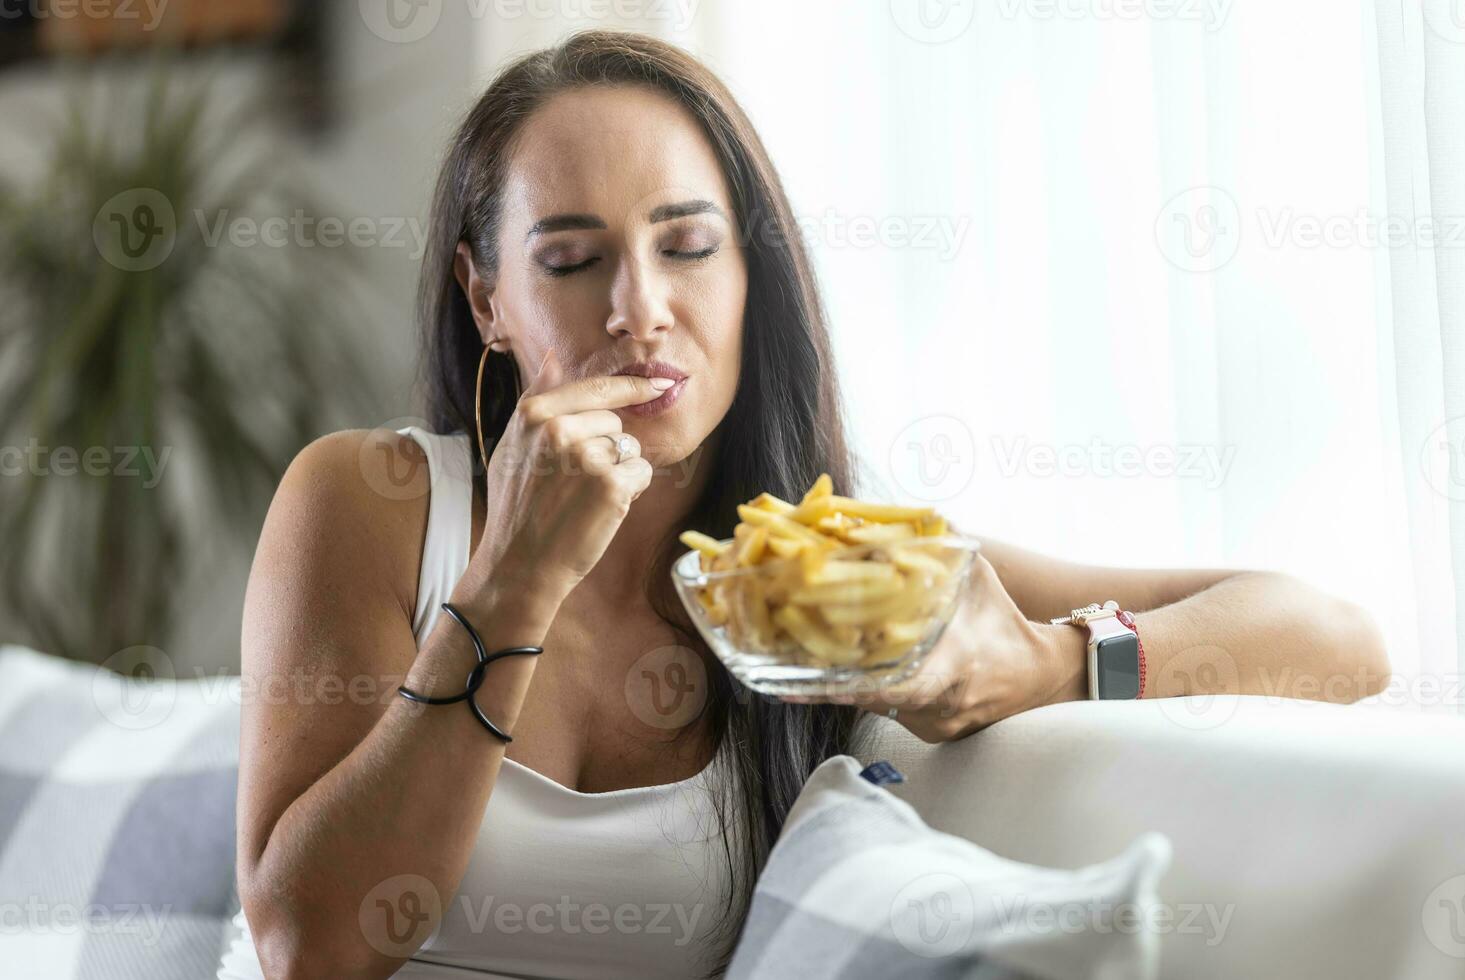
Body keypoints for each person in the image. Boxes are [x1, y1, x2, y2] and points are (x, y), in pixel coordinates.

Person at [217, 29, 1389, 980]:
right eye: (572, 261)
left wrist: (1045, 663)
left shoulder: (812, 569)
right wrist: (512, 583)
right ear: (486, 299)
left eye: (688, 246)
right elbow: (306, 943)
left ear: (750, 273)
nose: (640, 308)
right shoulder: (370, 503)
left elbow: (1336, 639)